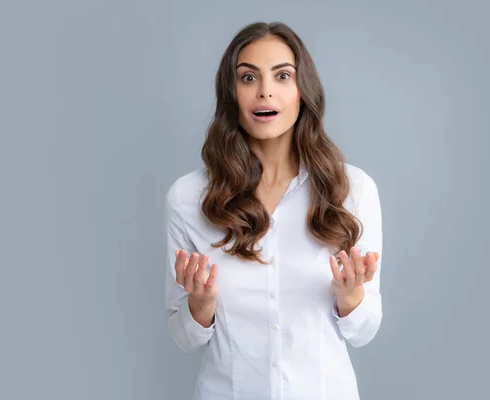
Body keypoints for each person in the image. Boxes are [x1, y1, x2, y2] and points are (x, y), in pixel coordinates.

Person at [164, 21, 383, 400]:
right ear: (231, 92)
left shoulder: (353, 190)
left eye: (282, 75)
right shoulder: (188, 198)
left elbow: (365, 332)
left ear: (304, 91)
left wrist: (350, 297)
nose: (265, 90)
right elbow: (183, 338)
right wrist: (200, 306)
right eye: (248, 77)